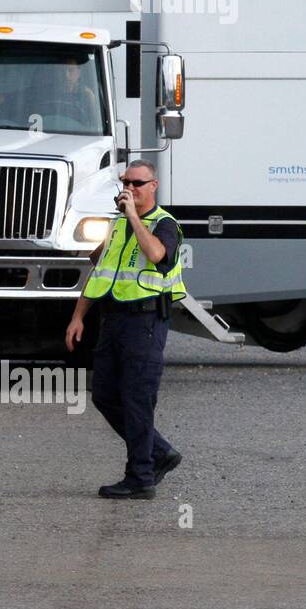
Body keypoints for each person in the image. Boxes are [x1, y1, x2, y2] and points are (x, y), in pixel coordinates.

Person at [65, 159, 186, 499]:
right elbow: (99, 269)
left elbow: (157, 254)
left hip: (145, 322)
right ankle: (159, 451)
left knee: (137, 399)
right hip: (113, 320)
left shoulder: (165, 225)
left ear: (153, 186)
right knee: (103, 394)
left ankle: (141, 478)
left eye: (137, 183)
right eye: (125, 182)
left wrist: (134, 216)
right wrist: (78, 316)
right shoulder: (117, 225)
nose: (129, 188)